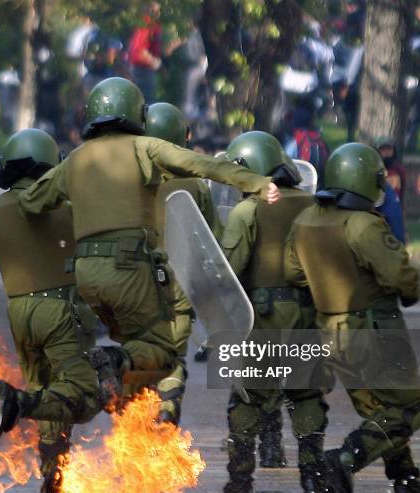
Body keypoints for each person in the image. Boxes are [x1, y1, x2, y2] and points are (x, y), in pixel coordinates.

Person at [18, 77, 280, 421]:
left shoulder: (76, 160)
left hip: (86, 276)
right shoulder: (145, 148)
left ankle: (129, 418)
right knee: (162, 352)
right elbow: (204, 166)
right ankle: (127, 379)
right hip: (131, 270)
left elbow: (30, 203)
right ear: (135, 113)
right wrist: (257, 183)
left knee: (135, 349)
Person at [285, 142, 420, 493]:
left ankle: (407, 483)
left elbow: (293, 273)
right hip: (373, 331)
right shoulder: (364, 224)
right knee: (406, 410)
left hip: (330, 332)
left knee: (378, 411)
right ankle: (344, 461)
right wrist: (408, 291)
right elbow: (400, 277)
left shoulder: (306, 220)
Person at [0, 129, 100, 493]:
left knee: (44, 389)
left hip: (20, 313)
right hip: (62, 310)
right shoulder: (71, 205)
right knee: (77, 394)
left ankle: (52, 477)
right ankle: (24, 419)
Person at [220, 131, 329, 493]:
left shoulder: (248, 210)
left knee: (249, 398)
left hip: (262, 318)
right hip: (308, 315)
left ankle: (240, 484)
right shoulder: (315, 206)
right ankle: (313, 479)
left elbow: (227, 272)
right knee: (307, 395)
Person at [147, 101, 221, 423]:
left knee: (139, 352)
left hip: (138, 282)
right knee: (174, 354)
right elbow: (211, 239)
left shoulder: (132, 183)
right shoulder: (195, 185)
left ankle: (141, 415)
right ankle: (167, 407)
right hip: (179, 284)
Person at [127, 2, 163, 102]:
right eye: (156, 10)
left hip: (141, 67)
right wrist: (155, 62)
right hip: (142, 68)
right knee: (146, 100)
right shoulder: (148, 25)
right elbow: (140, 50)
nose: (158, 12)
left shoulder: (147, 24)